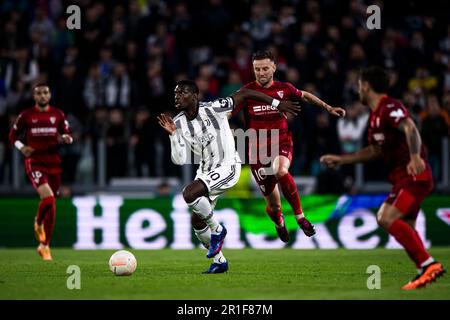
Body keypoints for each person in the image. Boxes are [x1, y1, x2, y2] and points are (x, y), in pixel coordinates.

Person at [320, 66, 446, 290]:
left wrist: (415, 156)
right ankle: (424, 270)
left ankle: (428, 265)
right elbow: (375, 152)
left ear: (366, 86)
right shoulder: (375, 117)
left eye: (359, 85)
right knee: (406, 226)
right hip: (403, 178)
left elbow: (410, 127)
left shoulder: (390, 107)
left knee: (385, 216)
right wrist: (342, 160)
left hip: (414, 175)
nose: (358, 90)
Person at [157, 79, 299, 273]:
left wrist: (276, 103)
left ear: (195, 96)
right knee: (197, 222)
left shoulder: (215, 108)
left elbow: (245, 94)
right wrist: (173, 135)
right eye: (175, 93)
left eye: (182, 92)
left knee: (189, 194)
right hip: (206, 171)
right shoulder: (179, 123)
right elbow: (180, 159)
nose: (177, 96)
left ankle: (218, 230)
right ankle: (220, 262)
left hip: (228, 166)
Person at [231, 50, 346, 242]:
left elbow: (305, 95)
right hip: (257, 151)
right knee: (274, 206)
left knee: (280, 170)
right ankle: (279, 222)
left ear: (274, 67)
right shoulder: (246, 92)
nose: (261, 73)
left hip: (281, 142)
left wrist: (327, 107)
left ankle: (300, 218)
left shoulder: (284, 89)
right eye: (257, 69)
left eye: (265, 68)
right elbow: (229, 111)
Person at [9, 84, 73, 260]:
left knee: (52, 205)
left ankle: (45, 246)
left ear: (50, 95)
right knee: (49, 198)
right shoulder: (26, 115)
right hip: (35, 162)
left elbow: (67, 133)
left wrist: (67, 138)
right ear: (34, 96)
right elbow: (12, 136)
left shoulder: (58, 114)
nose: (43, 96)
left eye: (45, 92)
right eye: (39, 93)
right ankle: (38, 222)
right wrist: (22, 147)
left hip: (54, 163)